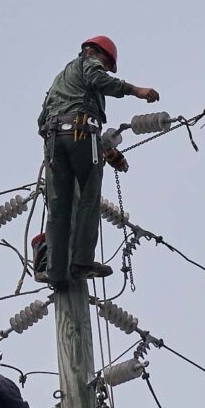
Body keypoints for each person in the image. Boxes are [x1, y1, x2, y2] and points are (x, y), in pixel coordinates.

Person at [37, 36, 159, 289]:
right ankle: (81, 261)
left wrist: (97, 150)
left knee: (59, 207)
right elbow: (99, 79)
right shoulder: (88, 63)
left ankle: (56, 273)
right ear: (96, 52)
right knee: (89, 197)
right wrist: (137, 91)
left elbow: (41, 120)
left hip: (53, 140)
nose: (105, 67)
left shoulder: (59, 81)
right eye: (106, 62)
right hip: (82, 132)